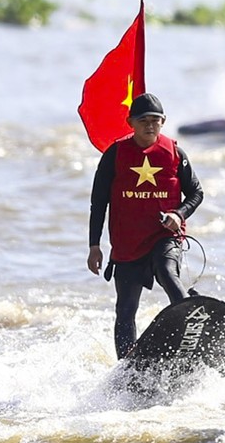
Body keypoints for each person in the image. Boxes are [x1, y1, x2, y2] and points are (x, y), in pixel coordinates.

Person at [87, 94, 204, 359]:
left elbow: (196, 193)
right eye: (143, 121)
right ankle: (126, 368)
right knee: (125, 310)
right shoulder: (115, 154)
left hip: (164, 236)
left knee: (166, 272)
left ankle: (190, 327)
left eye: (156, 121)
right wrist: (94, 245)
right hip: (127, 243)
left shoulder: (174, 152)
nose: (150, 126)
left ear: (163, 122)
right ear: (130, 122)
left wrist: (179, 213)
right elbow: (98, 202)